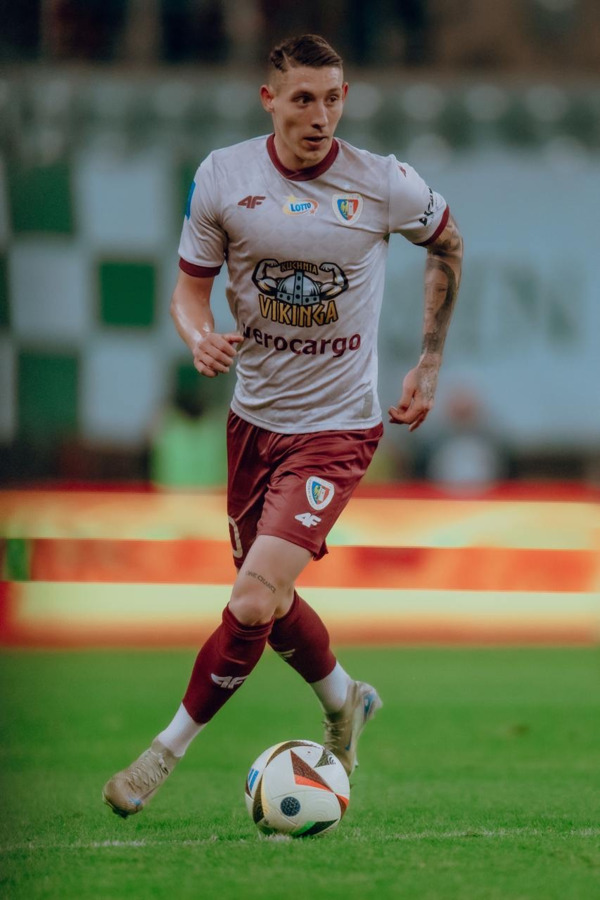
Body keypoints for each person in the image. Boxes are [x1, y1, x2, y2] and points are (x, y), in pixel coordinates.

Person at [103, 33, 463, 818]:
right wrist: (198, 336)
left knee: (252, 599)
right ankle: (344, 699)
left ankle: (163, 753)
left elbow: (447, 243)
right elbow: (188, 291)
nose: (320, 116)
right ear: (269, 100)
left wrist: (429, 361)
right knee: (265, 599)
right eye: (303, 99)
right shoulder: (224, 178)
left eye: (333, 99)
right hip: (253, 423)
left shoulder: (384, 182)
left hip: (337, 430)